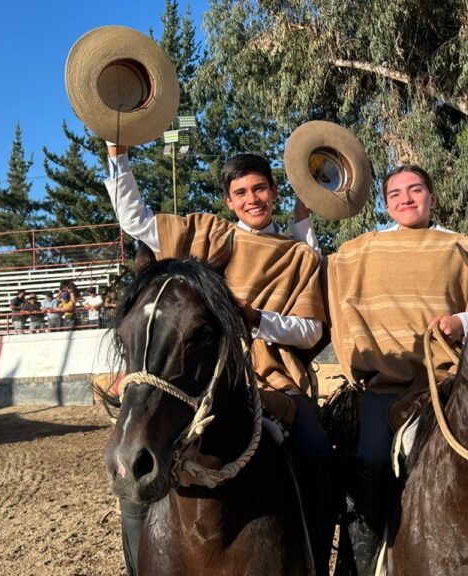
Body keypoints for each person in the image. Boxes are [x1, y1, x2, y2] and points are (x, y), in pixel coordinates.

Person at [105, 145, 332, 576]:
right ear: (229, 201)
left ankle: (314, 560)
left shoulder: (299, 256)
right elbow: (135, 220)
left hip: (275, 379)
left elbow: (312, 329)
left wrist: (256, 319)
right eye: (241, 192)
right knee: (132, 462)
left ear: (274, 192)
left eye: (260, 188)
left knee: (317, 451)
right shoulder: (207, 234)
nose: (252, 199)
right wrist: (118, 156)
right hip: (202, 378)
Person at [325, 164, 468, 574]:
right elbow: (326, 268)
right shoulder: (363, 249)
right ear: (385, 203)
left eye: (416, 190)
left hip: (447, 383)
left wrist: (460, 322)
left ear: (432, 197)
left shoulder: (461, 246)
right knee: (370, 466)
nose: (406, 199)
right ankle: (361, 564)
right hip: (385, 386)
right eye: (395, 194)